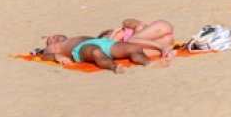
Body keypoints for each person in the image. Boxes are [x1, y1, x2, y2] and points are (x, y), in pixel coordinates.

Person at [34, 32, 170, 71]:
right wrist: (57, 56)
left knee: (134, 48)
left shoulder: (73, 37)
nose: (53, 37)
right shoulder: (55, 46)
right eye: (50, 39)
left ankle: (148, 63)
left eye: (53, 35)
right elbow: (46, 56)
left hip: (103, 42)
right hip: (81, 49)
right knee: (95, 52)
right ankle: (114, 67)